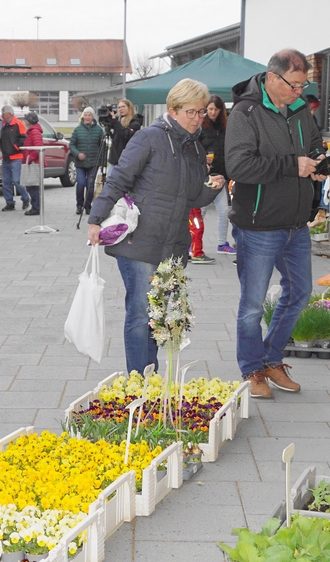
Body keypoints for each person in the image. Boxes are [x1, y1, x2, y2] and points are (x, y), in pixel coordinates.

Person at [87, 78, 223, 374]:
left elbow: (193, 197)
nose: (197, 118)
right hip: (139, 242)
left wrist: (213, 187)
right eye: (190, 112)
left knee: (157, 315)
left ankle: (151, 375)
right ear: (172, 110)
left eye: (201, 112)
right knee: (140, 314)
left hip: (172, 244)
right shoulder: (148, 138)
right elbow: (118, 180)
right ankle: (138, 380)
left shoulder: (195, 148)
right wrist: (95, 219)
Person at [226, 49, 325, 400]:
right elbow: (238, 166)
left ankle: (270, 358)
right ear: (272, 77)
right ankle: (252, 370)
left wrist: (319, 161)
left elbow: (314, 144)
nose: (299, 92)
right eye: (294, 85)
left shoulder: (299, 109)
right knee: (252, 305)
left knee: (299, 293)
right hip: (258, 225)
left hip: (296, 223)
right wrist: (292, 165)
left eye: (303, 85)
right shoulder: (245, 112)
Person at [199, 95, 234, 256]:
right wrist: (202, 158)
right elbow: (195, 147)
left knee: (224, 210)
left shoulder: (225, 126)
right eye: (210, 109)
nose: (213, 112)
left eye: (216, 109)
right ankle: (194, 243)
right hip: (205, 175)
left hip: (221, 173)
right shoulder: (201, 125)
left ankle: (221, 243)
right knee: (201, 211)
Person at [69, 107, 104, 216]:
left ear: (93, 117)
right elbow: (72, 145)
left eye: (89, 115)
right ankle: (79, 205)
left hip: (93, 163)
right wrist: (77, 153)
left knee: (90, 184)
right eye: (86, 115)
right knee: (81, 183)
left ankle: (88, 205)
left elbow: (102, 147)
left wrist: (102, 162)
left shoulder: (99, 130)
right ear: (83, 116)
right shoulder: (77, 130)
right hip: (80, 164)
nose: (87, 117)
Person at [0, 106, 30, 211]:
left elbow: (23, 138)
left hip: (16, 157)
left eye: (3, 113)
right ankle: (9, 203)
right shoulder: (4, 125)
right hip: (6, 158)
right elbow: (2, 140)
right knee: (6, 182)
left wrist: (15, 147)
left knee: (17, 180)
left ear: (9, 114)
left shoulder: (18, 124)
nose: (2, 116)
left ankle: (25, 198)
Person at [105, 98, 143, 166]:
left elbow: (126, 135)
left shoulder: (135, 122)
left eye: (123, 107)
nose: (121, 109)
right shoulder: (119, 120)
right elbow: (117, 137)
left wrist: (115, 122)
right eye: (119, 107)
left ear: (129, 107)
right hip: (115, 158)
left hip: (127, 158)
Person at [22, 111, 44, 216]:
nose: (24, 121)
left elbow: (38, 147)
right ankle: (36, 206)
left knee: (32, 186)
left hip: (34, 163)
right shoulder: (33, 131)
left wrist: (29, 158)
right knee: (32, 186)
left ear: (29, 121)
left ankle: (36, 208)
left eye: (26, 119)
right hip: (32, 162)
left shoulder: (34, 132)